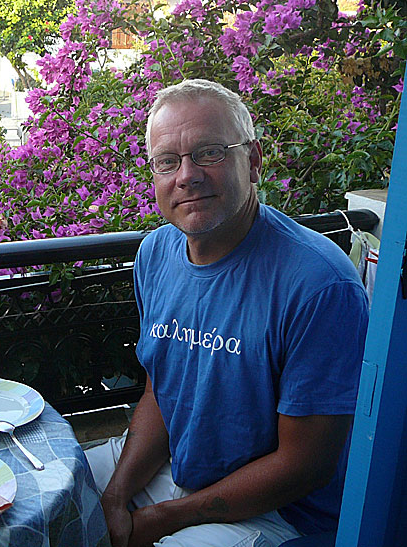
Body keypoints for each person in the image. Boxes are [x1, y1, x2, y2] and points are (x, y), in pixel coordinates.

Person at [85, 79, 369, 547]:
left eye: (210, 153)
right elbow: (164, 390)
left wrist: (161, 520)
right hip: (178, 466)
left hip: (279, 513)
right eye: (167, 162)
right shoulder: (155, 254)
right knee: (50, 496)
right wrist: (116, 494)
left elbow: (305, 465)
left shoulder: (319, 284)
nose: (187, 175)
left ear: (253, 161)